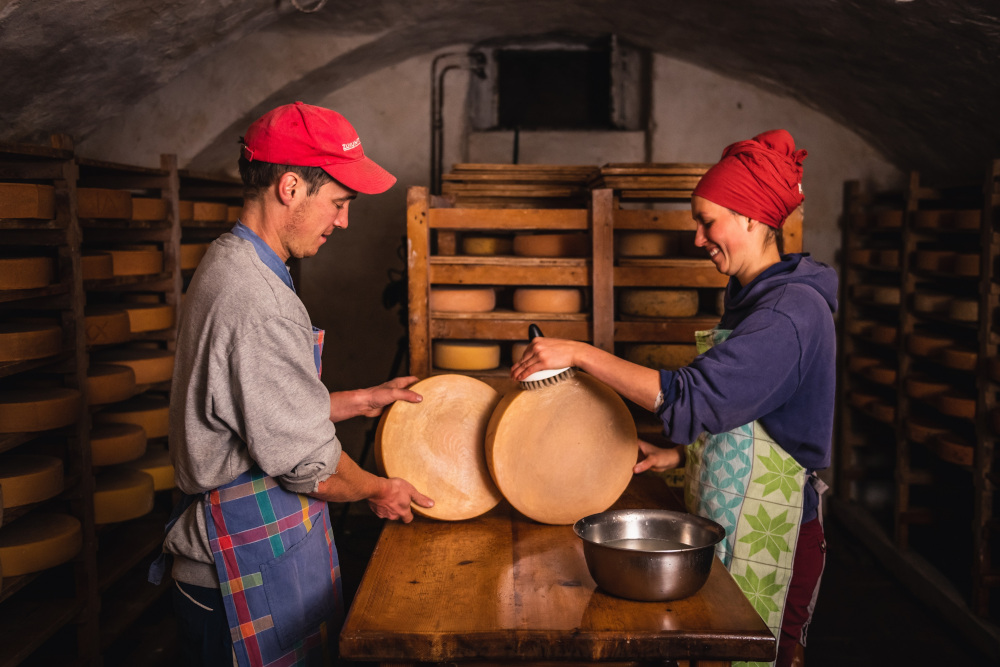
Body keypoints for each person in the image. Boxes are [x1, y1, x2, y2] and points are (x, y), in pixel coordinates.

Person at [512, 129, 834, 667]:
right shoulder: (754, 298)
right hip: (733, 513)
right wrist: (684, 456)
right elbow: (752, 408)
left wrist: (580, 353)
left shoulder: (788, 312)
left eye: (707, 222)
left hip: (773, 535)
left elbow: (693, 398)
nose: (697, 237)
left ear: (751, 218)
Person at [151, 101, 434, 667]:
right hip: (231, 572)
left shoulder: (232, 260)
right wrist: (380, 489)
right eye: (339, 203)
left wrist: (359, 400)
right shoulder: (258, 300)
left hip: (251, 552)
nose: (343, 221)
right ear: (290, 188)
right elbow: (314, 468)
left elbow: (253, 403)